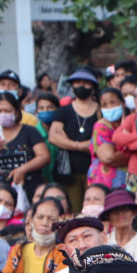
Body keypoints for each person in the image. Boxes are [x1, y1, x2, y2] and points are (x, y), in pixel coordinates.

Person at [0, 92, 49, 201]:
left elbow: (44, 156)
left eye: (8, 110)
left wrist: (23, 169)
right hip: (1, 194)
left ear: (16, 112)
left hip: (31, 188)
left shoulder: (29, 131)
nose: (3, 114)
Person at [2, 197, 67, 273]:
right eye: (40, 217)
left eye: (51, 219)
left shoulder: (63, 253)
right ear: (31, 220)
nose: (45, 223)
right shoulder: (19, 250)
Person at [49, 68, 101, 210]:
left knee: (97, 209)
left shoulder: (101, 110)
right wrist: (79, 145)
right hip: (69, 172)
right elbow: (53, 137)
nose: (81, 86)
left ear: (93, 86)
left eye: (86, 83)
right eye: (77, 82)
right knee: (74, 210)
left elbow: (104, 139)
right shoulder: (63, 111)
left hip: (97, 171)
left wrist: (68, 143)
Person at [101, 189, 137, 269]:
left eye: (125, 208)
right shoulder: (104, 241)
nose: (120, 213)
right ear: (108, 217)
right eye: (115, 210)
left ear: (133, 213)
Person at [88, 87, 128, 190]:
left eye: (112, 102)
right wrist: (134, 155)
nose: (109, 107)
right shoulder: (101, 126)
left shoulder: (131, 123)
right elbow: (108, 157)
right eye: (104, 105)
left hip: (126, 181)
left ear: (122, 103)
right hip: (104, 183)